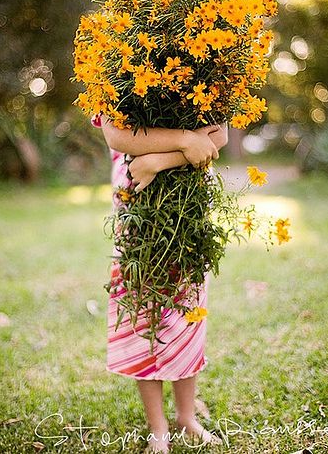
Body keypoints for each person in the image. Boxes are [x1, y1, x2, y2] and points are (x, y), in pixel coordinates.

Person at [92, 112, 227, 453]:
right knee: (143, 320)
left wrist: (156, 160)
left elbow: (220, 135)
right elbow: (117, 136)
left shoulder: (207, 68)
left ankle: (186, 417)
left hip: (187, 216)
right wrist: (187, 140)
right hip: (137, 218)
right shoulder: (111, 71)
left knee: (189, 317)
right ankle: (158, 427)